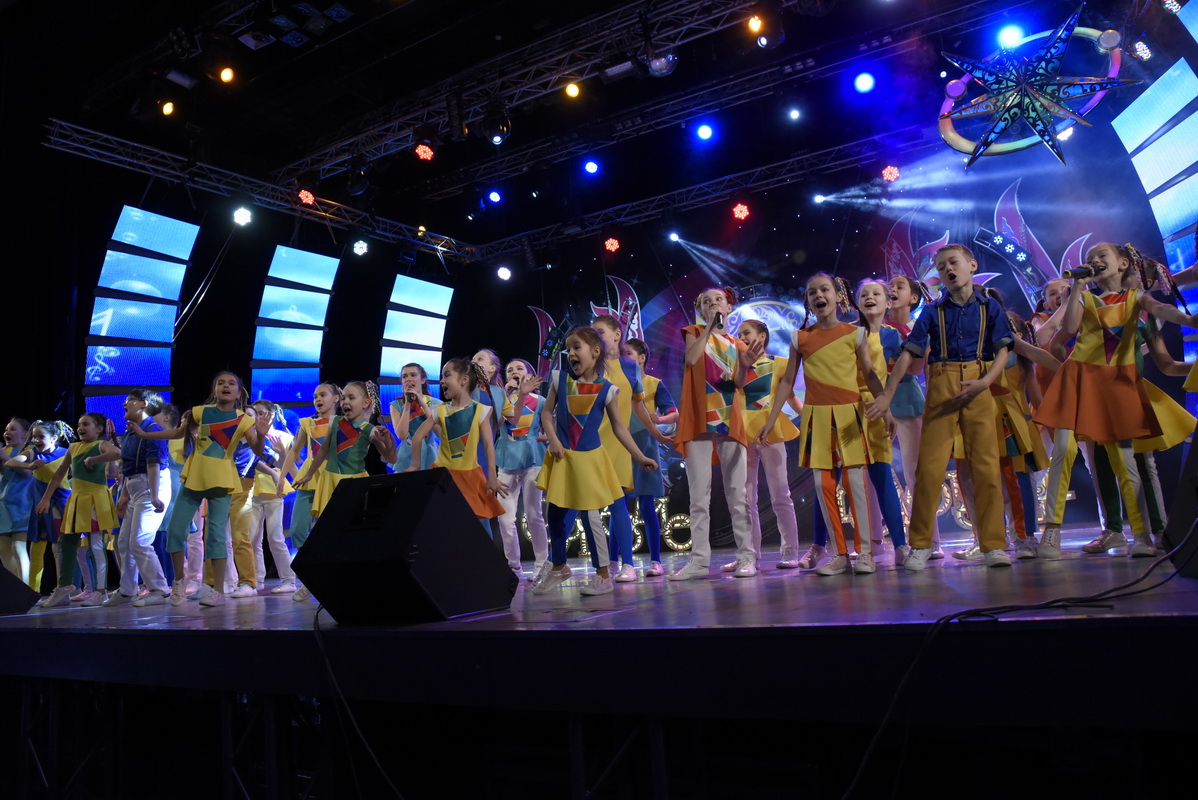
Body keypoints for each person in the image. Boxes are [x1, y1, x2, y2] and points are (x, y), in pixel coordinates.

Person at [1035, 242, 1198, 558]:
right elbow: (1064, 332)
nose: (1094, 261)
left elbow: (1163, 322)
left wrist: (1189, 321)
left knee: (1131, 462)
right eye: (1089, 259)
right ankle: (1061, 532)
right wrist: (1076, 288)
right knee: (1069, 455)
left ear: (1124, 264)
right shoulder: (1085, 298)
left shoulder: (1139, 303)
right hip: (1082, 383)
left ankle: (1146, 533)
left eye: (1101, 256)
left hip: (1121, 388)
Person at [868, 244, 1014, 570]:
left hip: (978, 381)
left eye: (954, 262)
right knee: (930, 468)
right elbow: (909, 352)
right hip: (942, 383)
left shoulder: (989, 307)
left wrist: (985, 382)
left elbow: (1003, 348)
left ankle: (993, 544)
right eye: (942, 265)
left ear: (971, 265)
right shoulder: (933, 311)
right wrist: (888, 394)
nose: (949, 269)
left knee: (986, 467)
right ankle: (921, 544)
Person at [758, 275, 889, 576]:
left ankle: (865, 553)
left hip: (849, 416)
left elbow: (870, 375)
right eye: (812, 292)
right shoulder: (799, 338)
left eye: (824, 289)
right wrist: (771, 419)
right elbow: (787, 381)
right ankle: (840, 554)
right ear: (808, 301)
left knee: (855, 483)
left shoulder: (855, 334)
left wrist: (886, 409)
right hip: (817, 419)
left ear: (838, 295)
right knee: (823, 485)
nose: (818, 295)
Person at [532, 327, 658, 596]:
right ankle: (559, 566)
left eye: (577, 347)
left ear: (595, 352)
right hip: (564, 459)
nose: (571, 353)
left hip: (590, 461)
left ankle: (603, 576)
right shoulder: (560, 380)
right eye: (568, 348)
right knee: (555, 515)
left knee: (590, 518)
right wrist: (554, 440)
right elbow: (546, 414)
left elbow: (620, 428)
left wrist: (639, 456)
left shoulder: (607, 390)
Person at [131, 371, 264, 608]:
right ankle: (178, 583)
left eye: (231, 383)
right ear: (214, 389)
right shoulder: (199, 412)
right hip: (195, 476)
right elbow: (177, 433)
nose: (225, 386)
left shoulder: (244, 420)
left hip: (222, 479)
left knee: (216, 535)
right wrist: (144, 433)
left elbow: (258, 449)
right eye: (220, 382)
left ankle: (217, 589)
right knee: (175, 530)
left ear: (238, 392)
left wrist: (261, 435)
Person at [670, 288, 763, 580]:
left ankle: (746, 557)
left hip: (728, 421)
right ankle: (699, 561)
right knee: (699, 497)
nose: (713, 304)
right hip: (699, 420)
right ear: (700, 310)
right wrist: (709, 326)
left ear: (729, 307)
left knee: (738, 495)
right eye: (706, 302)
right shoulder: (694, 332)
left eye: (718, 300)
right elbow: (691, 359)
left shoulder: (738, 344)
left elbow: (738, 383)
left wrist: (744, 366)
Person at [588, 316, 673, 581]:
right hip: (602, 442)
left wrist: (657, 433)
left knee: (641, 504)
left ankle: (648, 562)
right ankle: (612, 562)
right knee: (611, 504)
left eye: (600, 331)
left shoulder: (634, 371)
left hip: (635, 440)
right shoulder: (592, 367)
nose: (595, 337)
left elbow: (641, 407)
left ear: (617, 334)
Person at [88, 391, 173, 606]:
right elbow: (127, 467)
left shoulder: (153, 430)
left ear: (143, 404)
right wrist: (124, 494)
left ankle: (160, 589)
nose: (124, 404)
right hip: (135, 487)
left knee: (140, 541)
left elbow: (154, 463)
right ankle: (127, 590)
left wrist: (155, 495)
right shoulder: (131, 431)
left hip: (151, 486)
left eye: (129, 400)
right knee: (124, 541)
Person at [731, 320, 803, 571]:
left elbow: (791, 398)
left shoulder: (781, 364)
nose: (741, 337)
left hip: (771, 432)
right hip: (743, 434)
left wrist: (811, 419)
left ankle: (790, 552)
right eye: (739, 334)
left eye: (746, 333)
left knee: (780, 494)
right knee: (746, 498)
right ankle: (749, 554)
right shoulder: (737, 366)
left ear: (762, 336)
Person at [408, 359, 506, 529]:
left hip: (469, 476)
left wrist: (492, 475)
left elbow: (489, 445)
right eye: (442, 376)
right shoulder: (440, 410)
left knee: (472, 524)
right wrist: (415, 465)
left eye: (447, 375)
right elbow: (417, 437)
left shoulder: (481, 410)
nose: (442, 381)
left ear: (464, 380)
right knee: (444, 524)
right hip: (444, 475)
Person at [35, 413, 120, 608]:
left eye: (86, 424)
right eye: (79, 424)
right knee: (66, 541)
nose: (81, 427)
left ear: (99, 429)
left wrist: (94, 459)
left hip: (95, 500)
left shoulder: (101, 445)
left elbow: (116, 452)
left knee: (96, 544)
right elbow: (58, 475)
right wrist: (46, 498)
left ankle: (100, 591)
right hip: (77, 499)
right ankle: (64, 586)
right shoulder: (73, 448)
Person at [886, 275, 944, 558]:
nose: (892, 290)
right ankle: (875, 543)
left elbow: (919, 369)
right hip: (874, 401)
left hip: (908, 400)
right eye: (890, 286)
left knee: (915, 473)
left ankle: (930, 540)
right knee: (874, 473)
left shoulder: (919, 328)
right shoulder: (872, 325)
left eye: (899, 286)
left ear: (914, 297)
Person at [854, 278, 910, 566]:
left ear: (888, 302)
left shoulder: (891, 336)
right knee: (837, 478)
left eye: (876, 293)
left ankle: (900, 545)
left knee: (883, 475)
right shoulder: (848, 333)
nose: (870, 297)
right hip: (847, 407)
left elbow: (901, 371)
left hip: (877, 407)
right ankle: (824, 546)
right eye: (864, 294)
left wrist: (887, 409)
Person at [275, 382, 339, 597]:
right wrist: (281, 478)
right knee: (297, 530)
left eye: (323, 395)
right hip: (308, 480)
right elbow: (294, 451)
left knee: (327, 532)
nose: (318, 399)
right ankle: (312, 576)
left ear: (336, 398)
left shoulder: (342, 422)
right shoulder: (307, 423)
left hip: (332, 478)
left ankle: (325, 578)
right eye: (315, 396)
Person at [623, 338, 678, 577]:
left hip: (645, 444)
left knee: (646, 505)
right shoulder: (617, 383)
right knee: (619, 505)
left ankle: (656, 561)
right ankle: (617, 562)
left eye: (628, 353)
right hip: (621, 445)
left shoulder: (654, 384)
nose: (624, 358)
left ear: (642, 357)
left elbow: (674, 413)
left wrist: (660, 419)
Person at [495, 358, 548, 580]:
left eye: (519, 368)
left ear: (529, 374)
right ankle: (513, 566)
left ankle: (542, 564)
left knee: (534, 514)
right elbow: (496, 426)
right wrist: (505, 397)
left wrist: (545, 437)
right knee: (505, 518)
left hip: (532, 459)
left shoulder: (540, 401)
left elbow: (550, 427)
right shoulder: (500, 399)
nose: (514, 372)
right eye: (510, 370)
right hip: (506, 460)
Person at [7, 420, 73, 592]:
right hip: (41, 507)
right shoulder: (33, 452)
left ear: (54, 438)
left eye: (40, 437)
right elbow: (10, 462)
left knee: (60, 548)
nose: (36, 440)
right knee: (36, 548)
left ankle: (63, 589)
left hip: (61, 505)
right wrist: (29, 465)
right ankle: (32, 590)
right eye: (34, 436)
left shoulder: (66, 453)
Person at [248, 400, 297, 593]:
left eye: (262, 412)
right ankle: (256, 579)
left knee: (275, 537)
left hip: (274, 490)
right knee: (252, 539)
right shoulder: (249, 435)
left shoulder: (283, 437)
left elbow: (286, 466)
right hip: (252, 489)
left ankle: (288, 580)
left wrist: (283, 453)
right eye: (256, 413)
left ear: (272, 414)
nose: (259, 416)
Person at [0, 418, 34, 583]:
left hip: (22, 505)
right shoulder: (5, 451)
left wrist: (4, 457)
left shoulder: (29, 452)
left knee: (18, 547)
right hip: (4, 505)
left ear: (25, 435)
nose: (7, 432)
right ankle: (17, 588)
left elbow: (27, 473)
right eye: (6, 429)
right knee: (4, 549)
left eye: (13, 429)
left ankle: (26, 587)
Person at [390, 363, 440, 473]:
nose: (408, 379)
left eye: (413, 375)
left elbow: (440, 432)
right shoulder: (396, 405)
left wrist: (423, 405)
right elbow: (401, 435)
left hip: (430, 455)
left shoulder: (436, 403)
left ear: (422, 380)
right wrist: (407, 405)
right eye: (405, 376)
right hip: (406, 456)